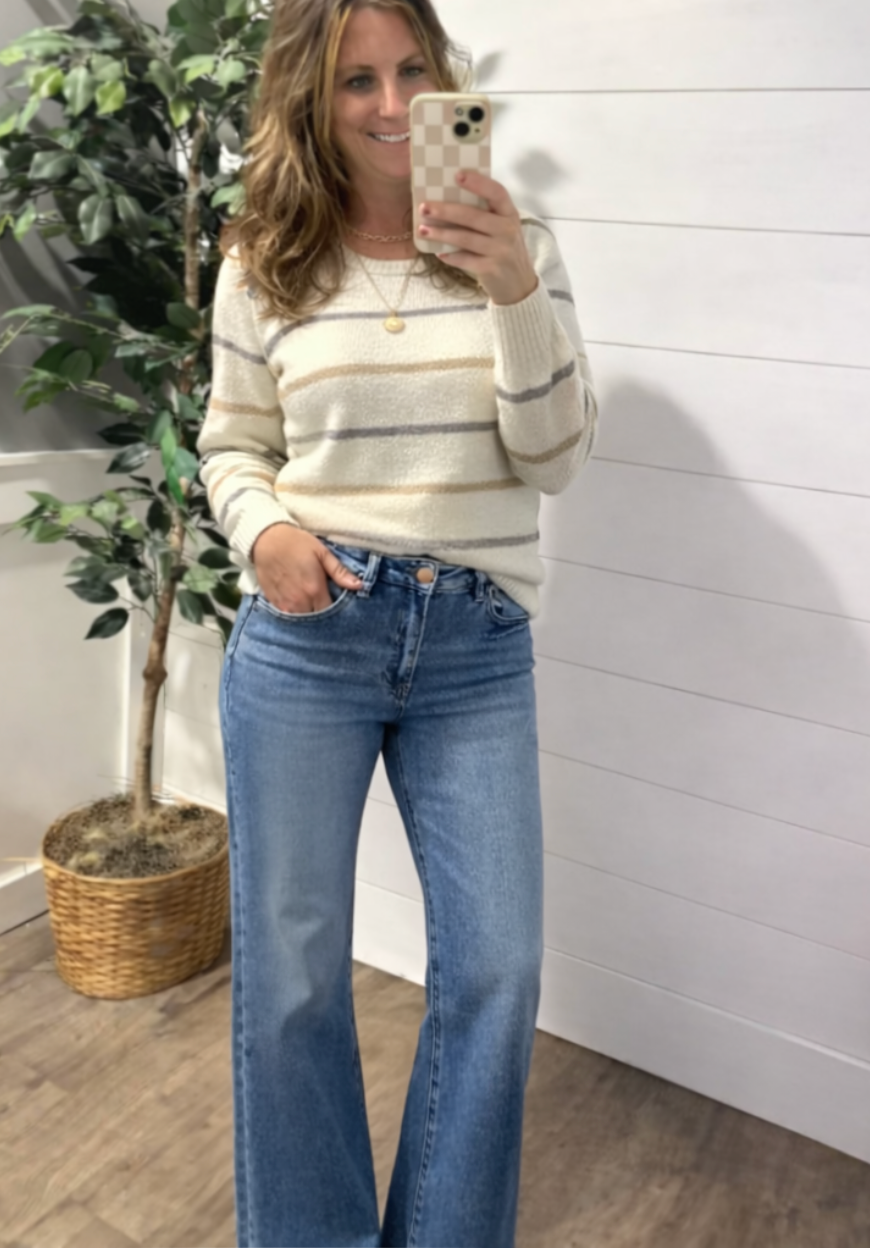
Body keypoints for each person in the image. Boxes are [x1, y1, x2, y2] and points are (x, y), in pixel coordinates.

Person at [198, 0, 597, 1244]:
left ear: (445, 79)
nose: (388, 103)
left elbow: (555, 459)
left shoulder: (518, 245)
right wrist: (265, 533)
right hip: (309, 639)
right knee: (293, 980)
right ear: (309, 98)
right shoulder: (264, 260)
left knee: (497, 971)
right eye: (355, 79)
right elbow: (231, 445)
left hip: (475, 647)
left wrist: (512, 288)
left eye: (411, 70)